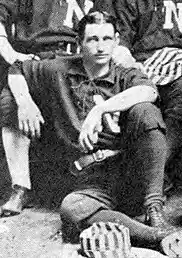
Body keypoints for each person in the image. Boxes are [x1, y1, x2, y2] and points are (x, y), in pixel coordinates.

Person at [7, 11, 182, 255]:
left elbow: (149, 92)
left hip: (132, 173)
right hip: (91, 179)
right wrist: (24, 101)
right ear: (80, 43)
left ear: (116, 41)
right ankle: (156, 237)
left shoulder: (124, 74)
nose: (101, 46)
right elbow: (17, 68)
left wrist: (101, 109)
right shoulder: (59, 70)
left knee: (145, 111)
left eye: (106, 39)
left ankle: (155, 211)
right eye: (92, 39)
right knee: (71, 208)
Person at [0, 0, 128, 216]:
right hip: (37, 57)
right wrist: (11, 54)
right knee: (10, 100)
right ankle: (20, 187)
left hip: (80, 58)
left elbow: (114, 28)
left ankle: (101, 182)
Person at [111, 0, 182, 186]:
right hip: (145, 62)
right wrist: (130, 63)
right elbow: (122, 43)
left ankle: (153, 174)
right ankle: (153, 176)